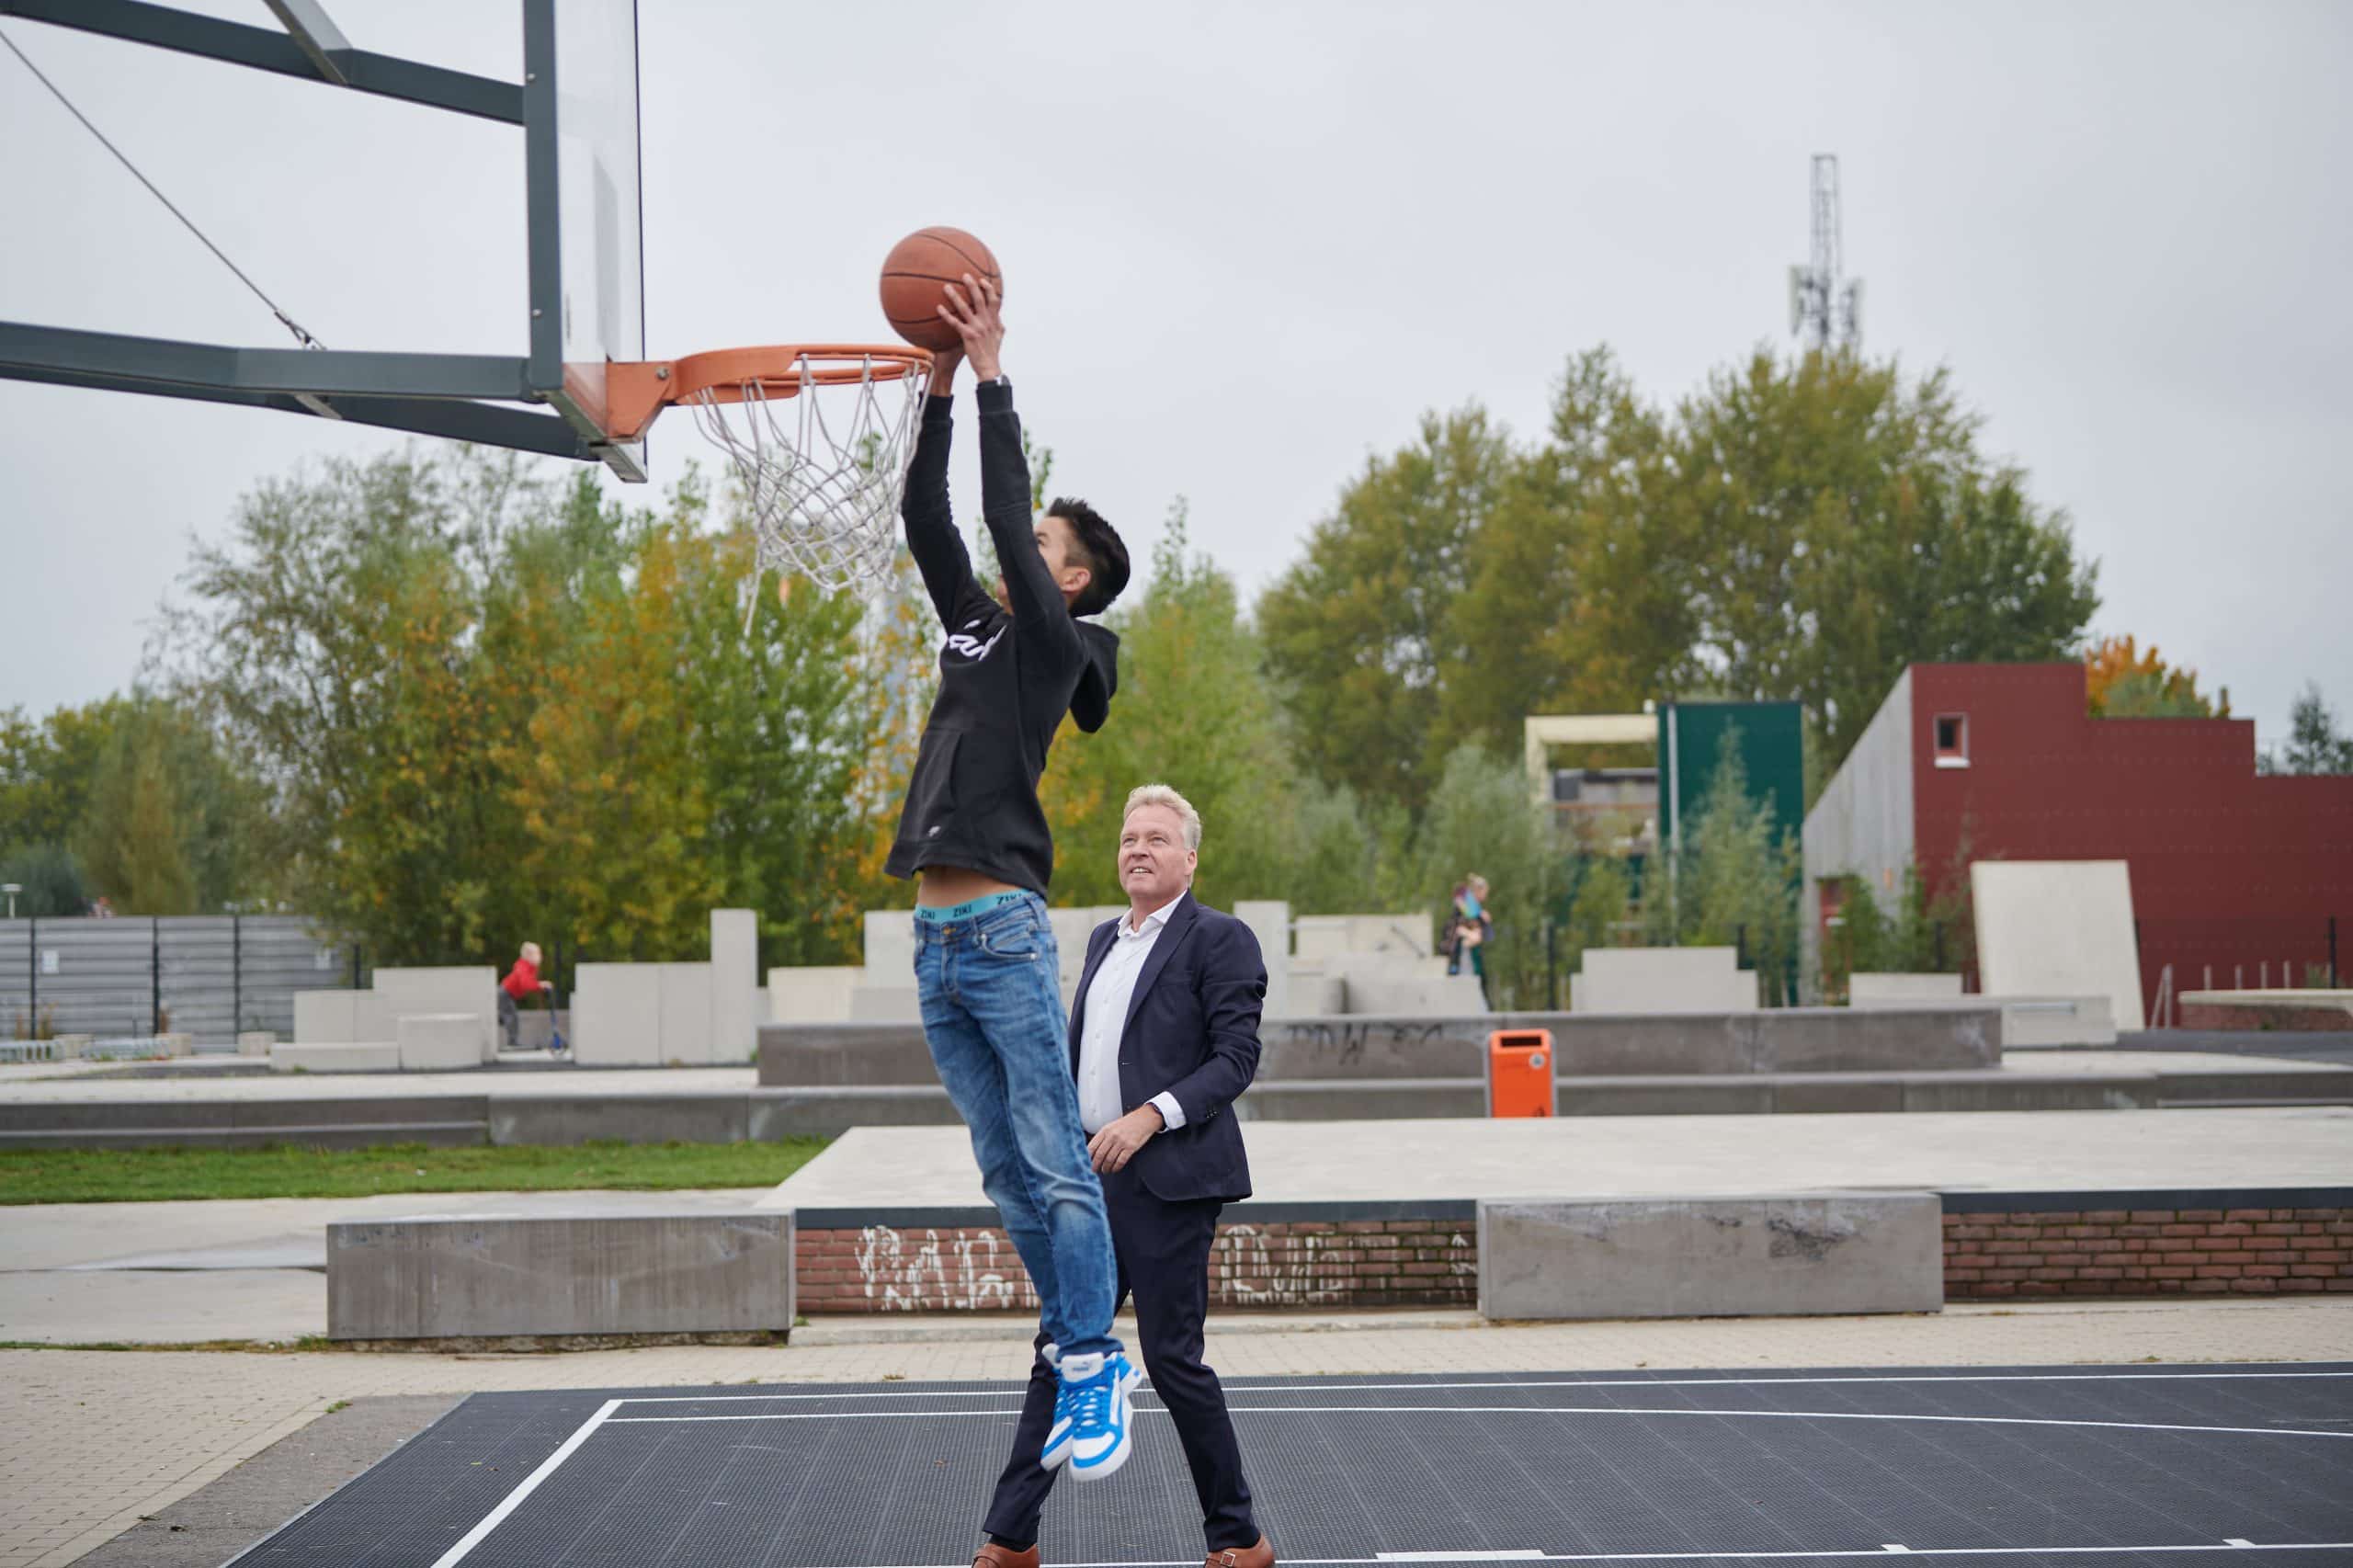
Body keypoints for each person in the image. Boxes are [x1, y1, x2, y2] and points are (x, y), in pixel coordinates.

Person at [886, 273, 1141, 1484]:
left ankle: (1094, 1359)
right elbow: (926, 514)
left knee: (1050, 1154)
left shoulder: (1050, 638)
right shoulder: (976, 626)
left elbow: (995, 512)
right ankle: (1073, 1329)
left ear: (1072, 579)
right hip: (934, 938)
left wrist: (992, 373)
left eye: (1046, 547)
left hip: (997, 925)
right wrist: (932, 385)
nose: (1024, 549)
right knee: (1002, 1170)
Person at [977, 785, 1274, 1568]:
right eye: (1128, 838)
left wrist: (1149, 1116)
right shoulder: (1107, 939)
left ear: (1190, 857)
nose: (1138, 848)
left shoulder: (1222, 940)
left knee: (1173, 1361)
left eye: (1155, 838)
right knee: (1061, 1351)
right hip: (1090, 1184)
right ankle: (1010, 1540)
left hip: (1172, 1182)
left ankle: (1238, 1538)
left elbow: (1235, 1060)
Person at [1445, 873, 1492, 1006]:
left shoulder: (1475, 909)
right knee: (1466, 978)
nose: (1486, 895)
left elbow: (1481, 931)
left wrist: (1481, 927)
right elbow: (1459, 928)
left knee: (1478, 980)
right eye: (1484, 892)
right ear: (1478, 891)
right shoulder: (1466, 906)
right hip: (1463, 951)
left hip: (1471, 950)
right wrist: (1472, 935)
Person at [496, 941, 546, 1052]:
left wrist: (540, 985)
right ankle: (513, 1041)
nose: (540, 957)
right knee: (512, 1016)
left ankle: (500, 1019)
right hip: (505, 993)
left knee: (506, 1015)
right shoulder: (523, 966)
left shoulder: (529, 967)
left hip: (507, 994)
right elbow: (526, 984)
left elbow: (529, 982)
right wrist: (540, 985)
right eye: (537, 954)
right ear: (528, 955)